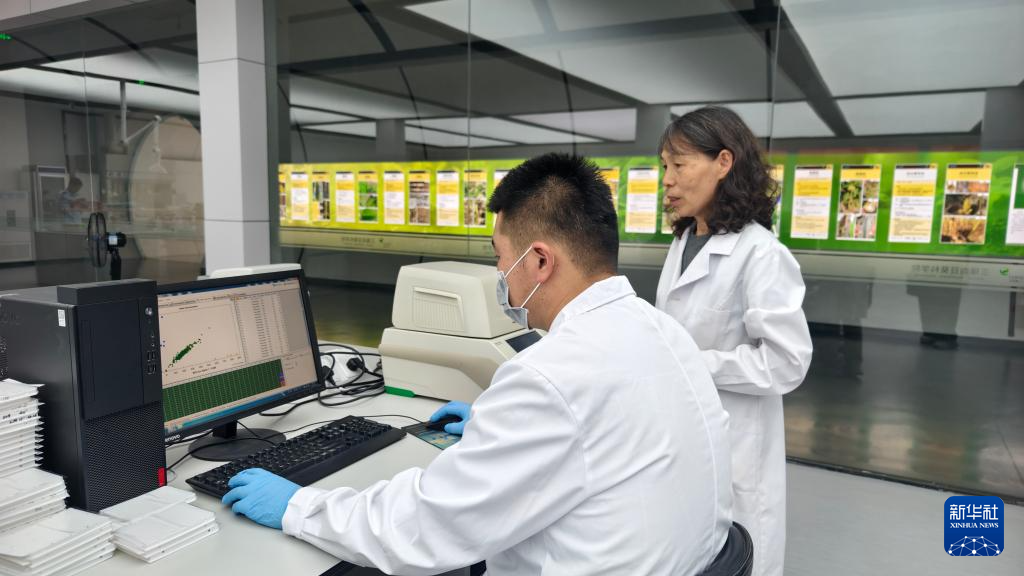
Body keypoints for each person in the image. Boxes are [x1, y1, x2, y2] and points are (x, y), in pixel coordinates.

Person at [223, 153, 733, 575]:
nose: (500, 273)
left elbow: (425, 528)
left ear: (540, 261)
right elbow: (608, 432)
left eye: (499, 256)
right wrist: (501, 430)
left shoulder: (550, 375)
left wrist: (299, 508)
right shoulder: (662, 331)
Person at [655, 107, 813, 576]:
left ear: (723, 162)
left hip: (736, 443)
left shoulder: (761, 253)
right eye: (664, 166)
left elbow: (787, 362)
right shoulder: (684, 241)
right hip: (683, 434)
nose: (667, 179)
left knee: (740, 556)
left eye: (679, 165)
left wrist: (693, 363)